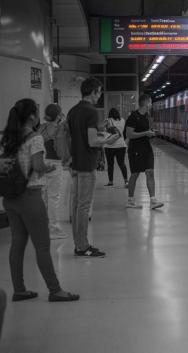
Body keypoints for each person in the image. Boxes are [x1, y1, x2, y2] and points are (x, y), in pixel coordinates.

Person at [0, 98, 79, 302]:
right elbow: (37, 165)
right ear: (33, 116)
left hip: (10, 198)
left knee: (17, 244)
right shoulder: (34, 138)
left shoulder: (6, 137)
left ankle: (19, 289)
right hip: (30, 196)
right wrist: (49, 168)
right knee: (42, 246)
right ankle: (55, 290)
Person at [66, 78, 120, 258]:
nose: (100, 95)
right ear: (94, 91)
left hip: (74, 164)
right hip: (86, 165)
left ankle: (78, 244)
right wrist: (107, 140)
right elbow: (92, 141)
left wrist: (99, 128)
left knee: (75, 206)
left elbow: (74, 137)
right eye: (99, 92)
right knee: (83, 206)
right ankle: (83, 246)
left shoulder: (73, 111)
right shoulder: (91, 111)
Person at [126, 94, 163, 209]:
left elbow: (145, 132)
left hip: (147, 148)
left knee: (150, 172)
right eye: (150, 102)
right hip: (135, 150)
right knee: (135, 174)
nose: (151, 104)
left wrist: (151, 133)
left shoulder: (147, 117)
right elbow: (129, 134)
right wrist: (145, 133)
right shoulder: (133, 117)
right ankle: (130, 200)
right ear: (146, 103)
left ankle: (153, 200)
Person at [38, 104, 69, 240]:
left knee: (43, 196)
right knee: (53, 197)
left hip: (41, 162)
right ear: (58, 116)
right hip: (54, 164)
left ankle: (42, 226)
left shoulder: (41, 128)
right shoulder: (59, 129)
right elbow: (61, 151)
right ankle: (53, 228)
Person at [103, 108, 128, 187]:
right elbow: (122, 131)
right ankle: (126, 181)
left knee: (110, 164)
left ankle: (110, 181)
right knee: (122, 163)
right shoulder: (123, 120)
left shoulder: (107, 120)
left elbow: (104, 131)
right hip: (121, 145)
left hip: (109, 145)